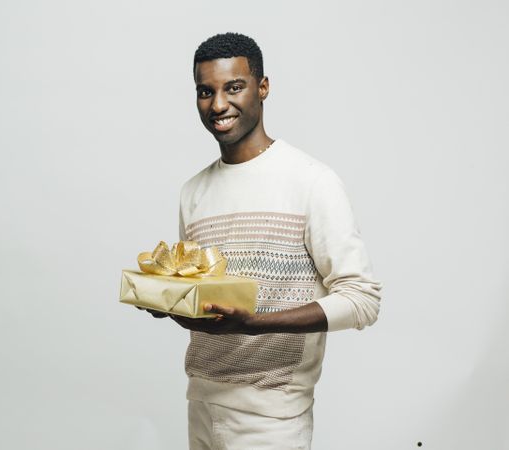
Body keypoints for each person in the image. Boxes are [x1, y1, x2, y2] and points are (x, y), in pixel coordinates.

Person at [141, 32, 383, 450]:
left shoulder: (311, 181)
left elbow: (362, 300)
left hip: (273, 419)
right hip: (199, 403)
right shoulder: (192, 191)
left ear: (263, 87)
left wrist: (255, 324)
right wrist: (171, 305)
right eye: (205, 91)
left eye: (234, 87)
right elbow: (202, 299)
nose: (218, 105)